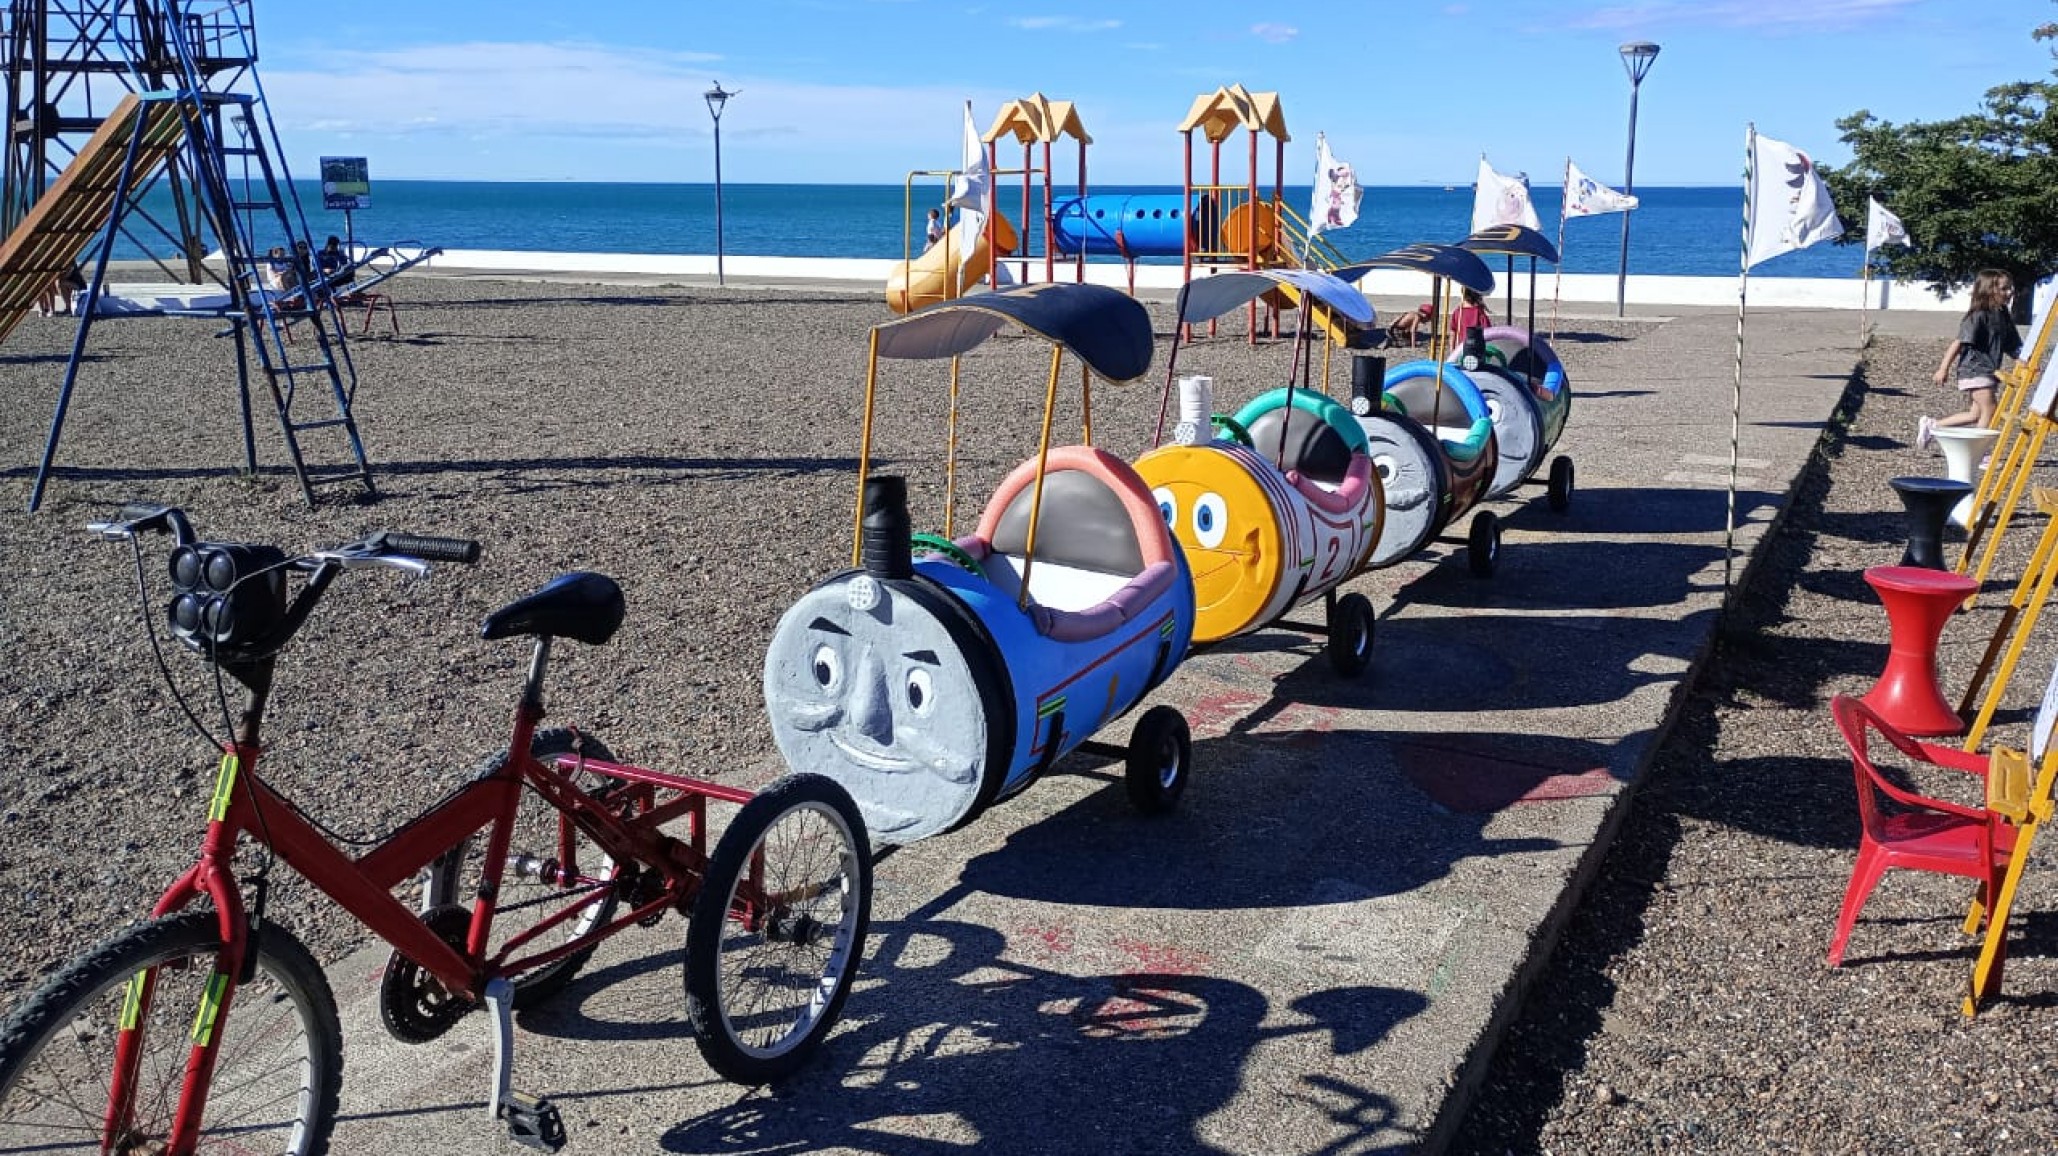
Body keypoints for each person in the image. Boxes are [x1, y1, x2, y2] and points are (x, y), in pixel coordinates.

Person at [1918, 268, 2020, 450]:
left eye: (2010, 288)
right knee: (1991, 409)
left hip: (1989, 371)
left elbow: (2012, 345)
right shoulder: (1978, 316)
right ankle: (1978, 451)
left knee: (1975, 414)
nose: (2010, 292)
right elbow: (1959, 343)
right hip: (1975, 369)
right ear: (1989, 291)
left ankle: (1933, 426)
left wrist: (2022, 359)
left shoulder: (2003, 315)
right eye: (2004, 289)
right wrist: (1943, 368)